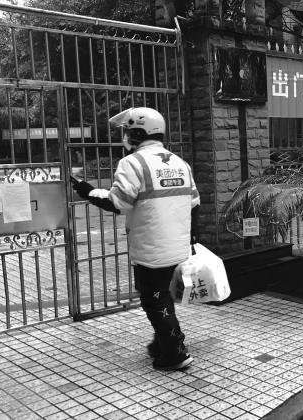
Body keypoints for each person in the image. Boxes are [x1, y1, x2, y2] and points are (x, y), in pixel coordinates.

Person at [71, 107, 200, 371]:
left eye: (128, 131)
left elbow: (119, 203)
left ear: (138, 133)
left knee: (154, 300)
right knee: (162, 295)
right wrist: (191, 237)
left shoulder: (133, 163)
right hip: (178, 245)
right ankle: (162, 343)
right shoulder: (180, 163)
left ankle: (175, 353)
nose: (126, 137)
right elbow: (195, 203)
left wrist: (88, 191)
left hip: (151, 249)